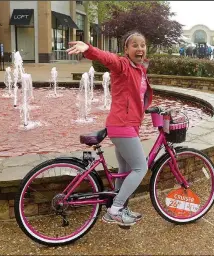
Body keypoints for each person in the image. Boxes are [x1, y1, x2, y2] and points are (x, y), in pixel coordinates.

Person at [66, 31, 153, 226]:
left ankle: (118, 206)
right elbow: (109, 59)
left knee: (125, 169)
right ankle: (116, 209)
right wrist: (89, 49)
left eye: (143, 45)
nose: (140, 49)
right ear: (126, 50)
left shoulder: (140, 69)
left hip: (128, 125)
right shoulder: (122, 65)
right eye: (135, 45)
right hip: (122, 125)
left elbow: (137, 98)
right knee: (141, 168)